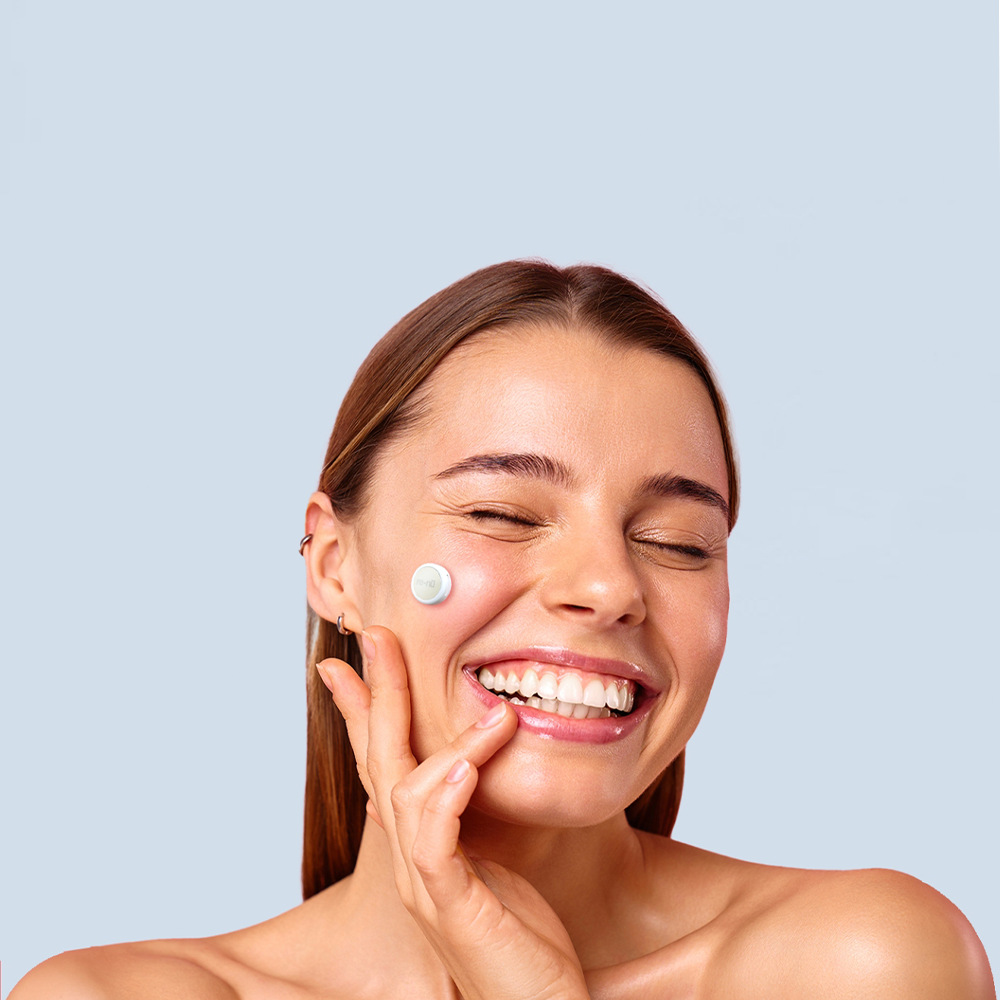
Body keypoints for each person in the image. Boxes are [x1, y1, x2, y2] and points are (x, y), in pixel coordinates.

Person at [13, 261, 994, 999]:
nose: (610, 586)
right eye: (503, 515)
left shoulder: (857, 963)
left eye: (677, 539)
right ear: (332, 565)